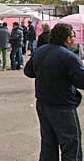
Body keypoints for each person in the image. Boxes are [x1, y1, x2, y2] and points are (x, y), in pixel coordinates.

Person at [24, 23, 84, 160]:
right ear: (68, 38)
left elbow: (28, 71)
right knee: (70, 144)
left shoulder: (41, 50)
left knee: (48, 143)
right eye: (73, 36)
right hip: (63, 106)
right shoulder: (69, 57)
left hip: (43, 103)